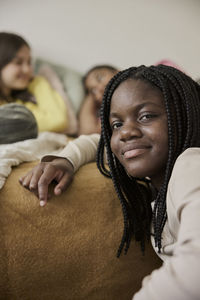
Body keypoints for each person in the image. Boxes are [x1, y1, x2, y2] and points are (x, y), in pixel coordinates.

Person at [20, 65, 200, 299]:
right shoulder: (161, 181)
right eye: (117, 124)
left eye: (145, 116)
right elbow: (99, 142)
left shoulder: (191, 165)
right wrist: (66, 160)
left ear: (186, 115)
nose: (125, 133)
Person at [0, 32, 77, 135]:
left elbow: (59, 120)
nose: (27, 69)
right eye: (18, 62)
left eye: (29, 62)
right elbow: (56, 121)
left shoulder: (23, 101)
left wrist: (38, 82)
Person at [79, 65, 118, 135]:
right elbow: (88, 132)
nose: (100, 88)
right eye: (93, 90)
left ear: (118, 72)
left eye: (100, 78)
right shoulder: (109, 112)